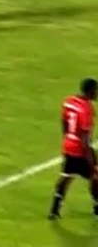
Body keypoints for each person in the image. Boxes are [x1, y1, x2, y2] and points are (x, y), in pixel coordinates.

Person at [50, 77, 98, 220]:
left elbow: (64, 121)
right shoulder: (86, 109)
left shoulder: (69, 102)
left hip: (69, 144)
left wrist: (67, 137)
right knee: (95, 175)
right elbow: (84, 135)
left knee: (66, 175)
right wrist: (89, 156)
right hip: (80, 148)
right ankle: (97, 208)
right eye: (96, 91)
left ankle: (54, 209)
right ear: (90, 91)